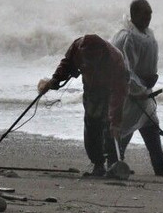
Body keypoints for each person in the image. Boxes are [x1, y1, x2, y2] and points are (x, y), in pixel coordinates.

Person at [38, 34, 129, 177]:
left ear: (101, 54)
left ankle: (114, 162)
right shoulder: (77, 46)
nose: (90, 63)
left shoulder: (115, 59)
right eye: (87, 59)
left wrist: (116, 121)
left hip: (110, 88)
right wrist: (56, 78)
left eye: (93, 60)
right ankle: (98, 163)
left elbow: (119, 93)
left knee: (110, 124)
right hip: (91, 88)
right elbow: (67, 63)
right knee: (92, 123)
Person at [111, 0, 163, 176]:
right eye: (145, 14)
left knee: (150, 123)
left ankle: (159, 164)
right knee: (126, 126)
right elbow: (125, 70)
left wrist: (150, 81)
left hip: (143, 89)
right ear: (134, 14)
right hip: (129, 92)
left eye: (150, 14)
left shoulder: (147, 33)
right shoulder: (128, 37)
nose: (148, 18)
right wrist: (139, 87)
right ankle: (114, 163)